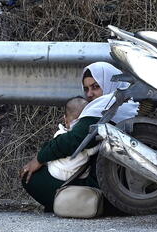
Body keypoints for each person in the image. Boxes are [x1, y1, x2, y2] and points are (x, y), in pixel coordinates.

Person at [20, 62, 138, 212]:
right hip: (116, 182)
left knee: (31, 177)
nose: (89, 94)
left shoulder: (107, 107)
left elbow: (73, 140)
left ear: (109, 83)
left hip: (109, 186)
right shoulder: (126, 105)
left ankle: (75, 205)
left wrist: (39, 158)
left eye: (96, 87)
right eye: (86, 89)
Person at [46, 96, 92, 181]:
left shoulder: (59, 134)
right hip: (76, 175)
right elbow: (92, 150)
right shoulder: (86, 138)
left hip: (54, 171)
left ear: (65, 120)